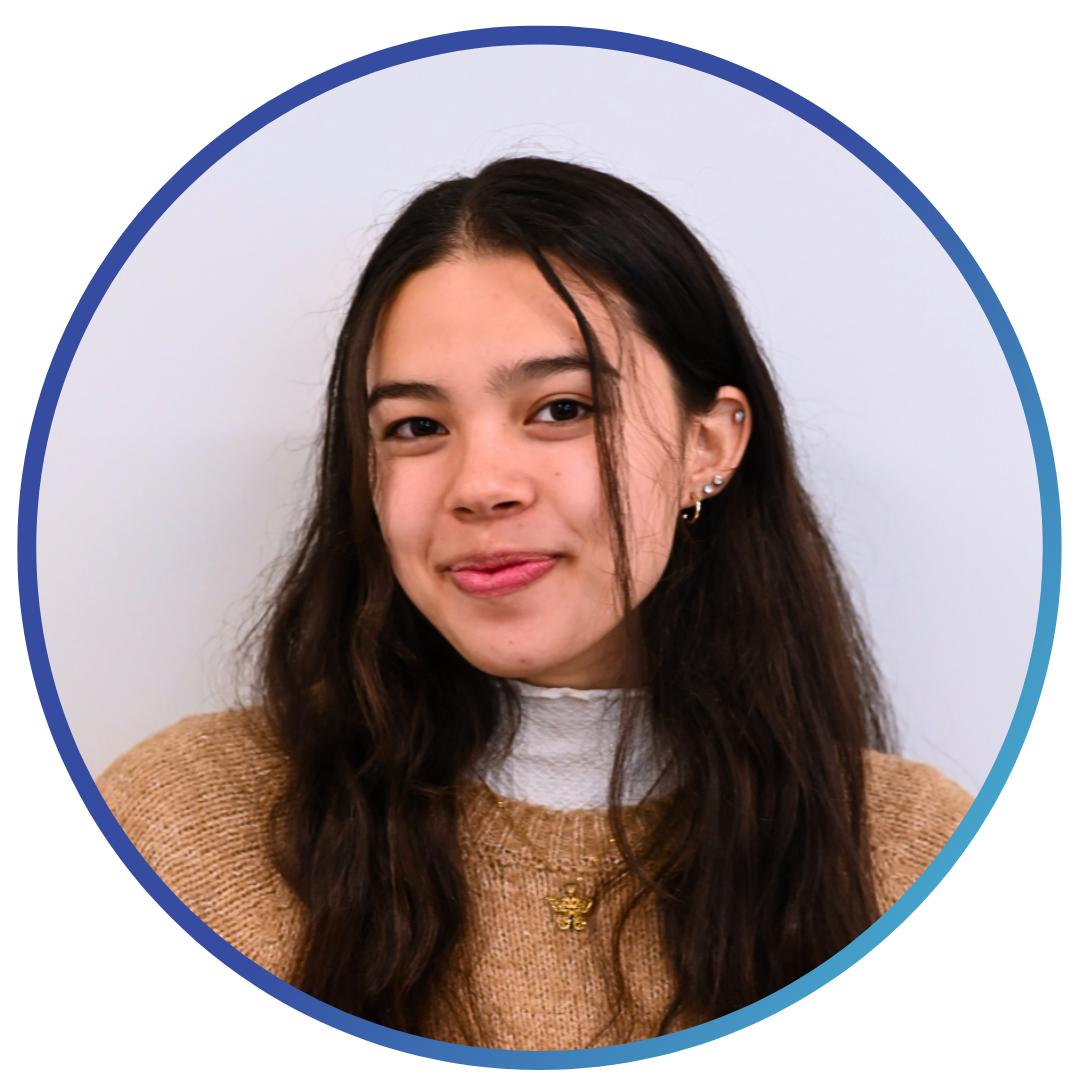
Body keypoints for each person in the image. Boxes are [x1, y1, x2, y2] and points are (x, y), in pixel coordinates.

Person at [98, 156, 973, 1051]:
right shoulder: (173, 833)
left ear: (706, 444)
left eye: (561, 408)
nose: (480, 486)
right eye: (416, 427)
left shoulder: (918, 861)